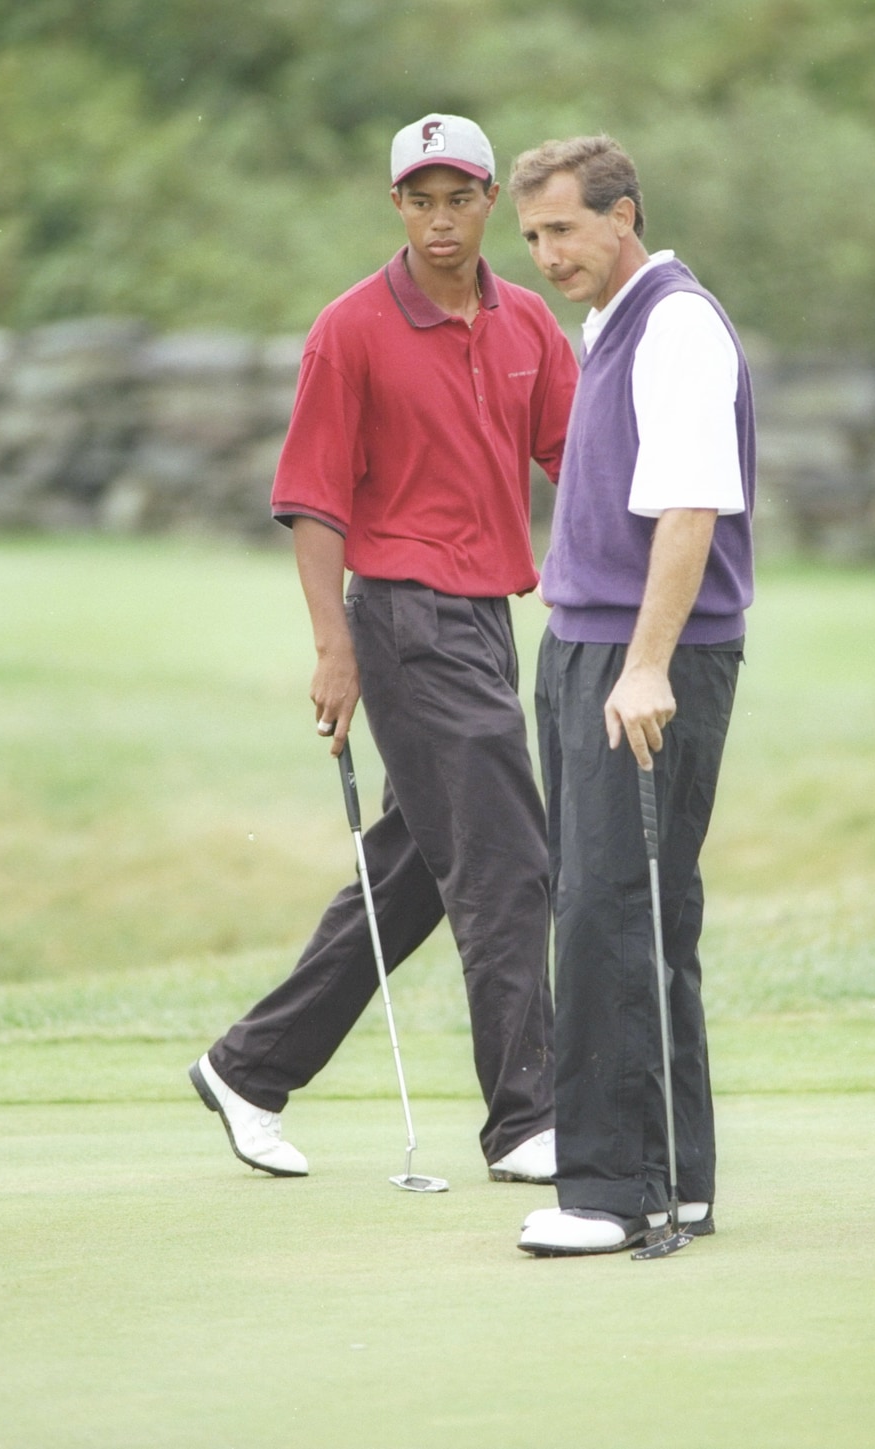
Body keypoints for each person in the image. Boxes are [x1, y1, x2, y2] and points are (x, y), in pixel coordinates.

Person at [189, 114, 578, 1185]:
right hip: (404, 620)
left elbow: (576, 460)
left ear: (490, 199)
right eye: (420, 199)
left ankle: (249, 1067)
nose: (440, 220)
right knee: (508, 868)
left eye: (459, 198)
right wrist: (334, 648)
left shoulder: (529, 325)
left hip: (487, 622)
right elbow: (312, 501)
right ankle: (526, 1122)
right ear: (395, 204)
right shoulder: (350, 328)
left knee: (416, 869)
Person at [508, 136, 755, 1255]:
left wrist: (643, 664)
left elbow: (692, 512)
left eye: (563, 229)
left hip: (640, 656)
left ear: (624, 216)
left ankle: (613, 1192)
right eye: (534, 237)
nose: (547, 254)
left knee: (609, 911)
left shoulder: (677, 326)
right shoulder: (614, 324)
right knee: (638, 908)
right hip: (591, 645)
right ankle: (680, 1178)